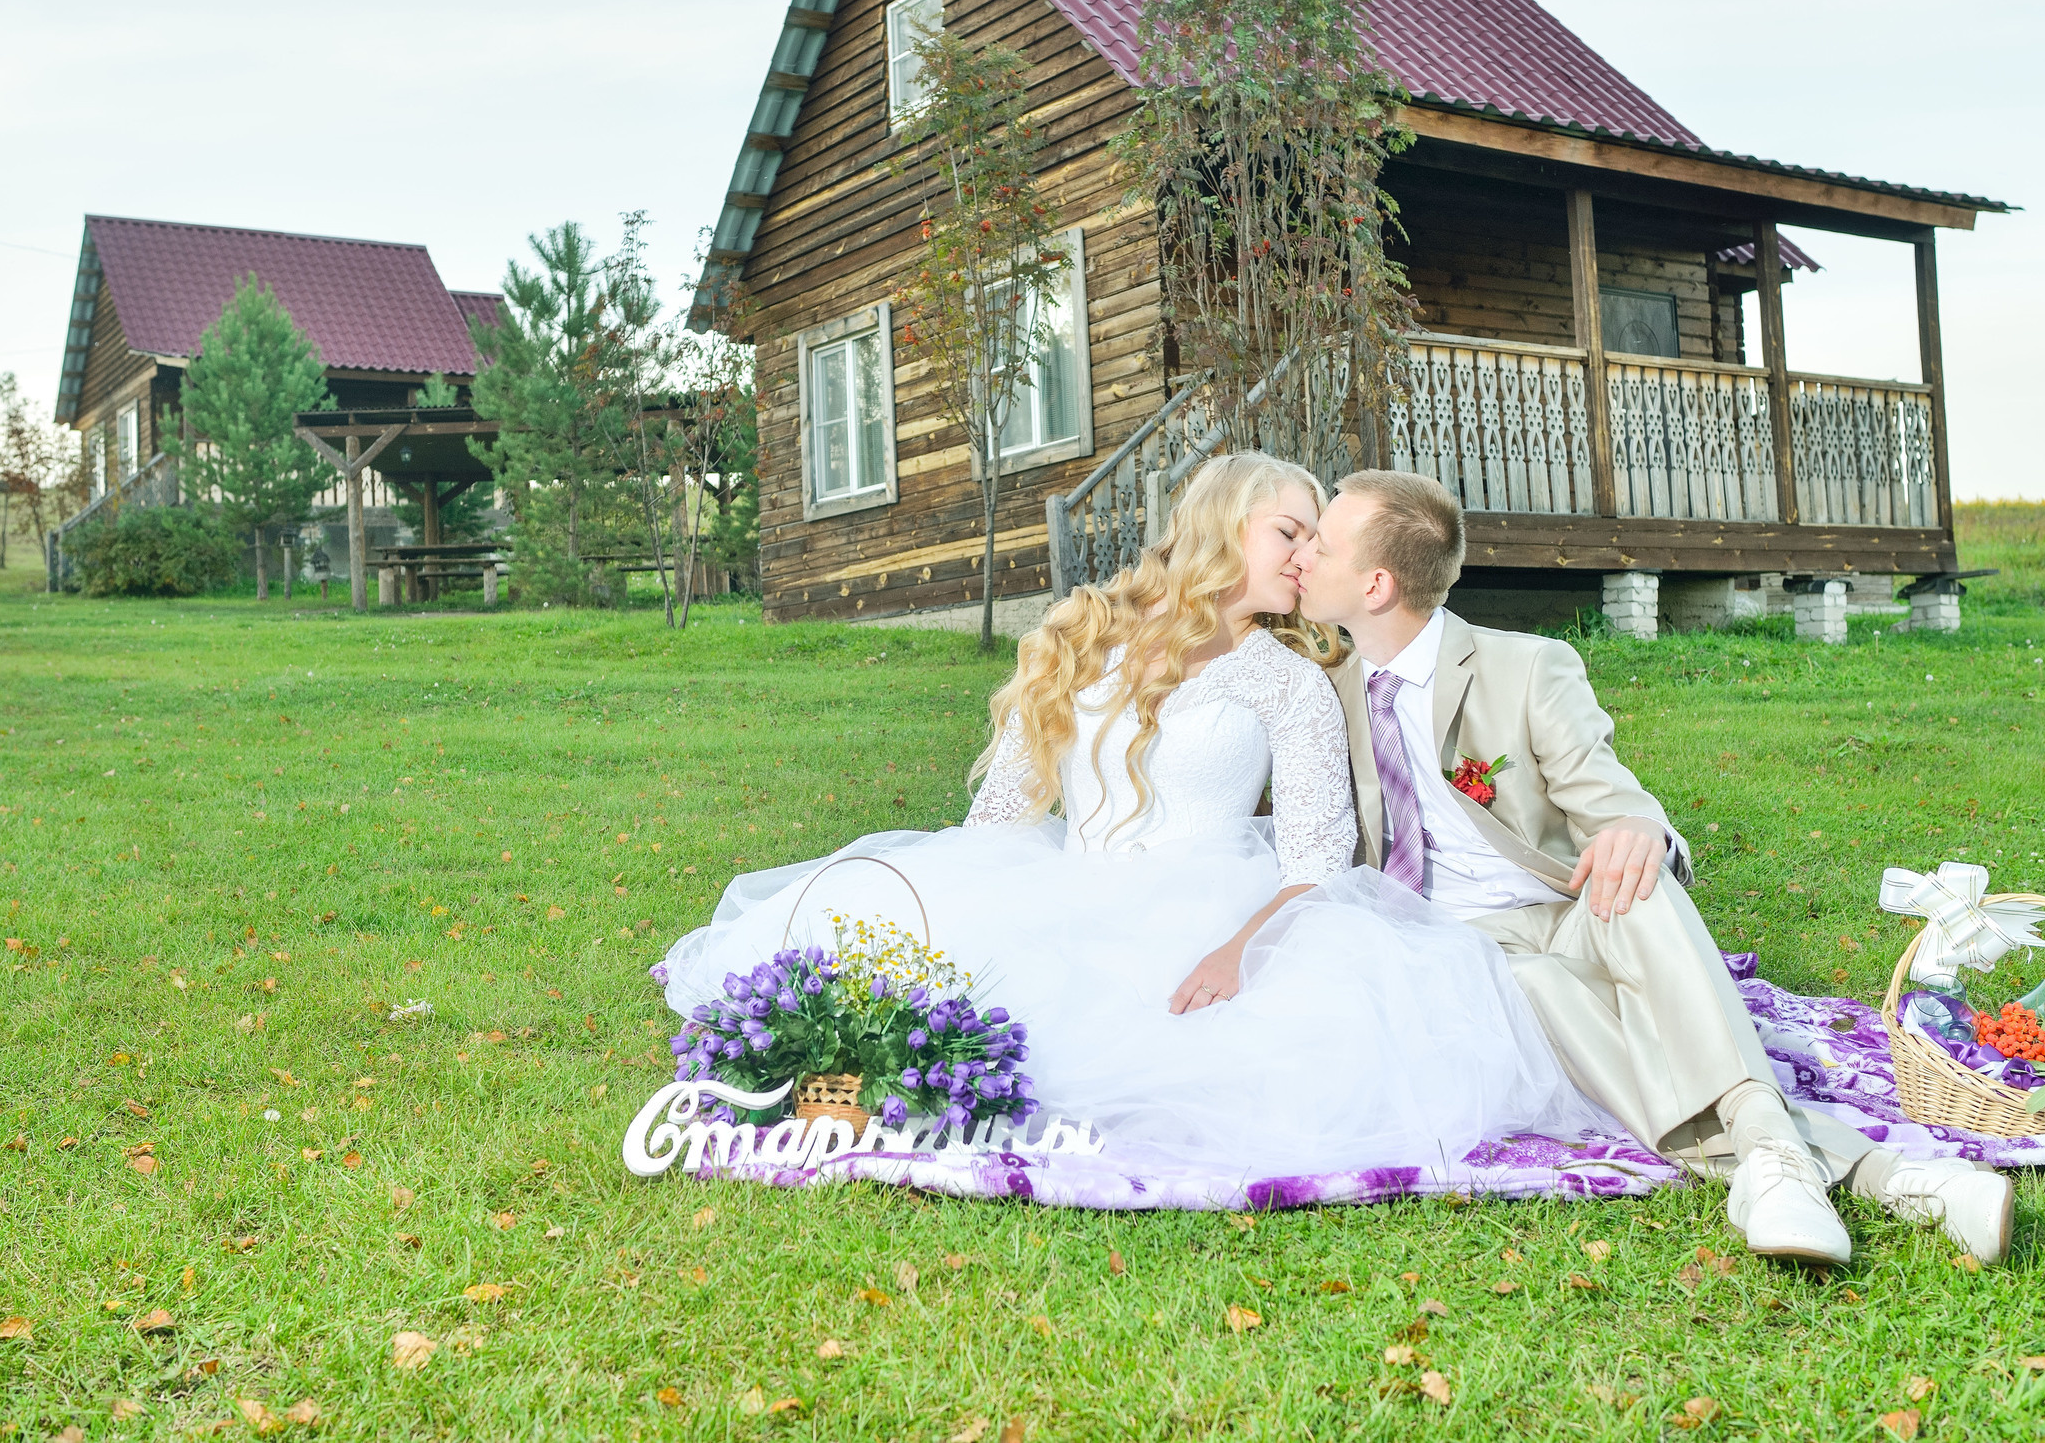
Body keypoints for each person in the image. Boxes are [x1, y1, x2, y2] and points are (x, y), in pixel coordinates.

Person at [659, 453, 1607, 1176]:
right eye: (1291, 530)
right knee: (907, 993)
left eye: (1317, 539)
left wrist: (1237, 952)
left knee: (1198, 1062)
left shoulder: (1289, 681)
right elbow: (1002, 812)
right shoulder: (1082, 637)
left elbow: (1316, 863)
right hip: (1065, 884)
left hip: (1208, 910)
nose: (1308, 554)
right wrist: (968, 908)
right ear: (1224, 525)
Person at [1276, 468, 2014, 1265]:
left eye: (1322, 544)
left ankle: (1773, 1156)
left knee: (1637, 880)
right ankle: (1889, 1177)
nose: (1303, 555)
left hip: (1567, 909)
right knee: (1535, 984)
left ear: (1376, 585)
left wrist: (1640, 829)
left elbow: (1611, 796)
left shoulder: (1526, 667)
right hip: (1458, 944)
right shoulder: (1322, 695)